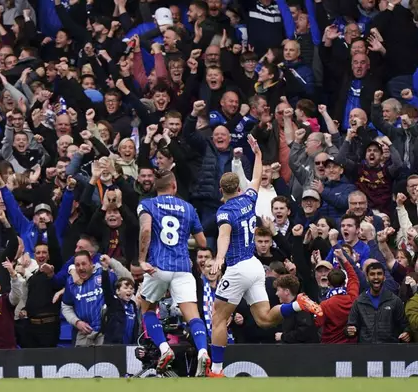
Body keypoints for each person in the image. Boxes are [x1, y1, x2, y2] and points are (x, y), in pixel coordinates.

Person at [207, 134, 322, 377]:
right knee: (265, 319)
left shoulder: (225, 211)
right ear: (239, 187)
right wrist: (258, 154)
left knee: (218, 318)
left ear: (221, 190)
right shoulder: (249, 199)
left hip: (238, 267)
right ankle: (297, 304)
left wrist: (219, 258)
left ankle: (216, 370)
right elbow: (258, 177)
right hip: (255, 265)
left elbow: (224, 236)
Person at [137, 169, 210, 375]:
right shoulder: (188, 208)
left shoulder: (147, 204)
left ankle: (164, 348)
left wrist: (142, 260)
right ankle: (203, 352)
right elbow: (202, 242)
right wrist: (181, 239)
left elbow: (145, 230)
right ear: (174, 186)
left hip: (157, 266)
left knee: (148, 310)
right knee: (193, 316)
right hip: (183, 268)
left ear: (155, 186)